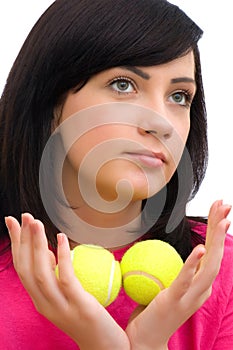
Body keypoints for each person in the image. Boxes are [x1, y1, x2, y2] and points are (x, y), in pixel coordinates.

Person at [0, 0, 232, 349]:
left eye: (179, 96)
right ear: (50, 104)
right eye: (123, 85)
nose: (161, 123)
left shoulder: (218, 272)